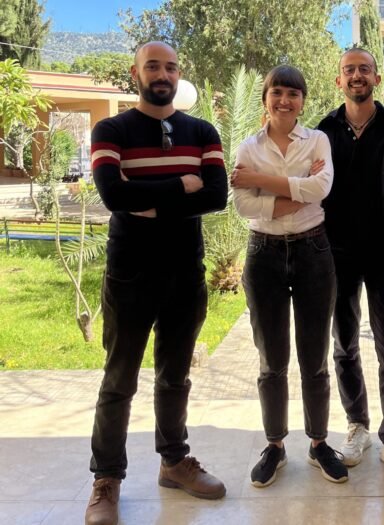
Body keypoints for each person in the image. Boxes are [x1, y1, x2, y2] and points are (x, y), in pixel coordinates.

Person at [86, 41, 228, 525]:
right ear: (136, 73)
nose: (162, 74)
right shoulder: (111, 130)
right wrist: (179, 186)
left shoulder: (202, 132)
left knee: (175, 376)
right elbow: (112, 194)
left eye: (170, 67)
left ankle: (174, 462)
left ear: (178, 73)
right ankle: (107, 478)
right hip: (130, 273)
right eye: (153, 66)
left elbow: (216, 196)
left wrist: (146, 199)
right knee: (119, 379)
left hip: (185, 272)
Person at [231, 65, 348, 488]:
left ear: (302, 101)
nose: (284, 100)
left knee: (315, 358)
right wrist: (296, 192)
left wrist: (260, 181)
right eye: (277, 92)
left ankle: (318, 443)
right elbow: (244, 205)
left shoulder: (317, 140)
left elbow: (322, 189)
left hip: (313, 251)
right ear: (265, 98)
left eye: (293, 94)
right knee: (271, 360)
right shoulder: (248, 146)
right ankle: (275, 445)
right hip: (263, 254)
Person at [317, 48, 384, 484]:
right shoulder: (323, 131)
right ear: (339, 80)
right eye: (349, 70)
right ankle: (357, 426)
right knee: (344, 345)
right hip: (336, 255)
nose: (357, 75)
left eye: (364, 69)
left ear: (377, 78)